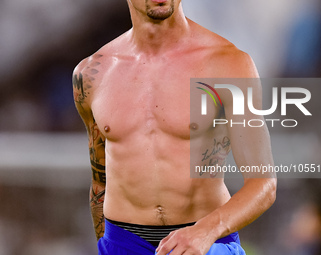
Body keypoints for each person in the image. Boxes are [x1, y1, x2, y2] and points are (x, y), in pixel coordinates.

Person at [72, 0, 277, 254]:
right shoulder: (92, 74)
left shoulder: (229, 64)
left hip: (206, 242)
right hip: (123, 243)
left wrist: (206, 231)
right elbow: (99, 181)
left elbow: (264, 184)